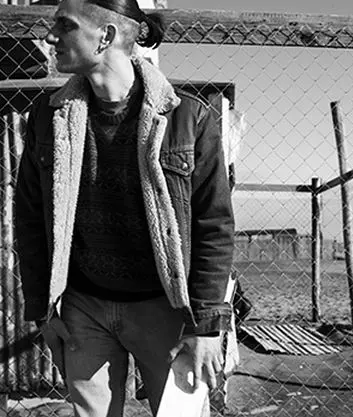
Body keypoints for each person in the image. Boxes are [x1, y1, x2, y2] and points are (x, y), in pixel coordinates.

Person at [14, 0, 235, 415]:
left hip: (167, 311)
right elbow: (29, 218)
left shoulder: (188, 118)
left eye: (65, 25)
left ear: (107, 36)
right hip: (83, 310)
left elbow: (214, 226)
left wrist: (206, 327)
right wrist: (44, 311)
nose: (50, 36)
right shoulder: (48, 117)